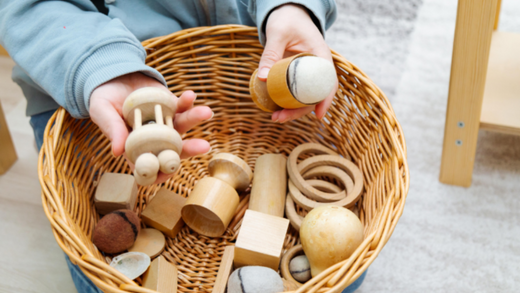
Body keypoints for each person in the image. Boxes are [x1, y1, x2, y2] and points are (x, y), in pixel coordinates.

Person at [0, 1, 365, 292]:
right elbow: (26, 7)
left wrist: (291, 7)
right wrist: (102, 67)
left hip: (243, 53)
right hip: (81, 80)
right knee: (96, 277)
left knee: (346, 275)